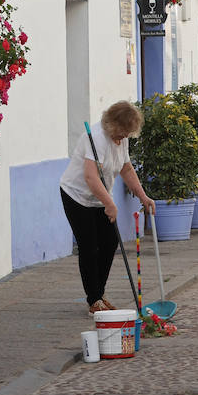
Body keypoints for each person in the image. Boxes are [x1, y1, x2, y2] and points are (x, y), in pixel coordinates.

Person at [59, 101, 154, 316]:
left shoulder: (122, 140)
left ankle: (99, 295)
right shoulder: (95, 139)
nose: (124, 137)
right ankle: (94, 300)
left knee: (110, 242)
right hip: (76, 195)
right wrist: (110, 204)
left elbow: (126, 168)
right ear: (113, 125)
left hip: (99, 197)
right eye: (122, 132)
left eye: (128, 133)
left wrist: (143, 196)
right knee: (89, 246)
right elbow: (91, 177)